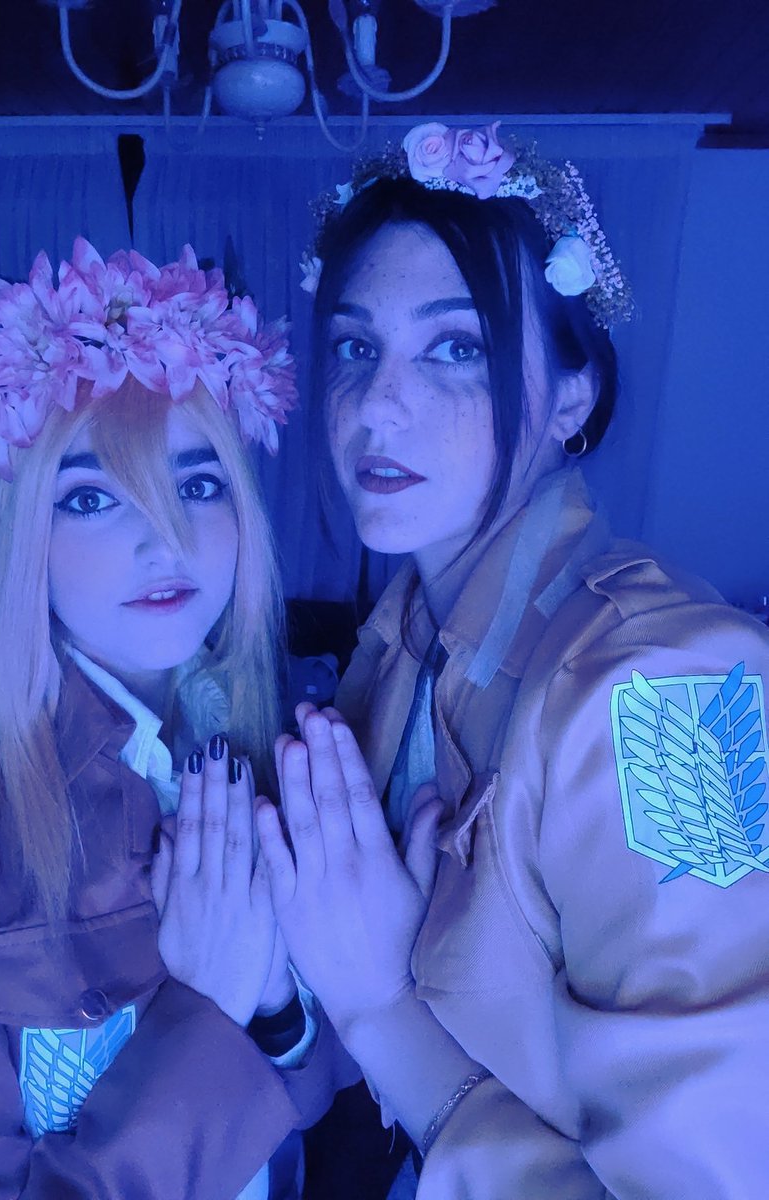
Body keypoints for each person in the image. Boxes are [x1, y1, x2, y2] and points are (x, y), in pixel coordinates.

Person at [258, 122, 769, 1198]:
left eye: (456, 348)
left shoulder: (655, 689)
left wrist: (382, 1011)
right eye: (354, 347)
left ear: (572, 395)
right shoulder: (394, 647)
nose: (376, 406)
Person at [0, 238, 351, 1198]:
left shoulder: (261, 740)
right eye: (91, 497)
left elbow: (314, 1082)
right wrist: (206, 1013)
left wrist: (273, 1010)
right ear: (18, 533)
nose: (164, 536)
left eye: (198, 484)